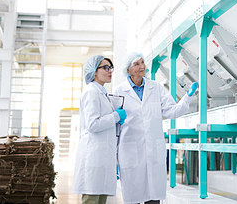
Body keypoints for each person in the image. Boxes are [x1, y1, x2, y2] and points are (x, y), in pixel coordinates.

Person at [114, 52, 198, 204]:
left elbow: (172, 112)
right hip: (130, 152)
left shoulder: (156, 88)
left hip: (153, 152)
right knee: (133, 197)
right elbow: (115, 129)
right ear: (128, 70)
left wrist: (187, 97)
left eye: (143, 62)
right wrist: (113, 158)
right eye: (137, 64)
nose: (142, 66)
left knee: (153, 199)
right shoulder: (119, 91)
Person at [72, 55, 127, 204]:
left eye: (111, 68)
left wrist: (116, 118)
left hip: (102, 158)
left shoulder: (102, 93)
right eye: (105, 67)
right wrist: (116, 116)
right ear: (94, 71)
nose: (110, 71)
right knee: (92, 199)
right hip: (93, 157)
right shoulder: (91, 92)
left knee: (100, 200)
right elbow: (93, 125)